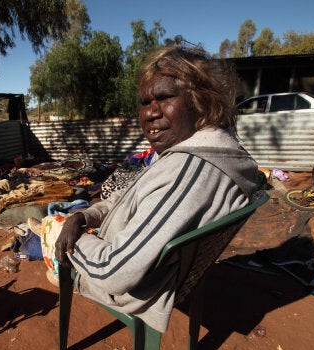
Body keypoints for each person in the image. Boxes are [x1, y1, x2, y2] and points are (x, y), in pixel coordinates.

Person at [34, 46, 261, 334]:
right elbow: (128, 197)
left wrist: (73, 239)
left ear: (200, 102)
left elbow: (114, 273)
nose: (150, 113)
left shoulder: (188, 172)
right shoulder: (195, 153)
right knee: (65, 218)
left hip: (136, 288)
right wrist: (86, 217)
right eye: (144, 102)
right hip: (150, 261)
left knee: (50, 227)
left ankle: (60, 269)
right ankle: (56, 247)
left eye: (165, 98)